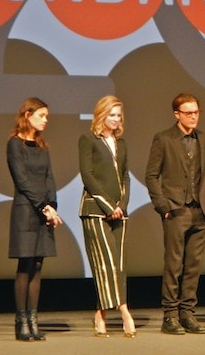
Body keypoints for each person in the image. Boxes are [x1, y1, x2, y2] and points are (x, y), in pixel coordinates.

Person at [145, 93, 205, 335]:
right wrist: (163, 206)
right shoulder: (164, 139)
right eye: (188, 113)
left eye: (196, 112)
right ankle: (170, 316)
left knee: (193, 265)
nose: (193, 116)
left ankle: (188, 313)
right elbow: (152, 176)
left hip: (201, 210)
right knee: (174, 264)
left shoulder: (204, 139)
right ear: (177, 114)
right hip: (176, 210)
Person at [78, 96, 135, 338]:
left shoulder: (121, 143)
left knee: (118, 265)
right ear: (101, 114)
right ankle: (124, 311)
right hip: (95, 210)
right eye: (112, 114)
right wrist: (108, 205)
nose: (116, 119)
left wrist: (121, 204)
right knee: (105, 264)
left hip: (119, 212)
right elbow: (87, 176)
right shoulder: (88, 139)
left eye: (119, 115)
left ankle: (100, 314)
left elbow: (125, 177)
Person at [7, 97, 63, 342]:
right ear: (27, 115)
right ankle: (20, 321)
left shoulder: (42, 145)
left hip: (43, 211)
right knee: (25, 264)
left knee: (38, 265)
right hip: (26, 210)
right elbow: (22, 181)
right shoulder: (15, 144)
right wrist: (44, 207)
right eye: (42, 115)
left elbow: (49, 177)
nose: (45, 120)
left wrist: (52, 205)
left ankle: (33, 319)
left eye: (47, 116)